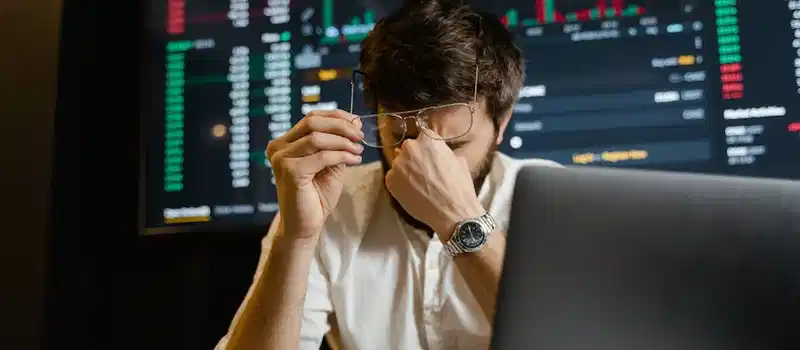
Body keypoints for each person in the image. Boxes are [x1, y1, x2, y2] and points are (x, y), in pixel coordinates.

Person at [216, 1, 559, 349]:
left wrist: (461, 221)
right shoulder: (328, 204)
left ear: (501, 124)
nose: (422, 166)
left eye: (453, 146)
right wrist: (296, 239)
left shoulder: (552, 205)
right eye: (400, 137)